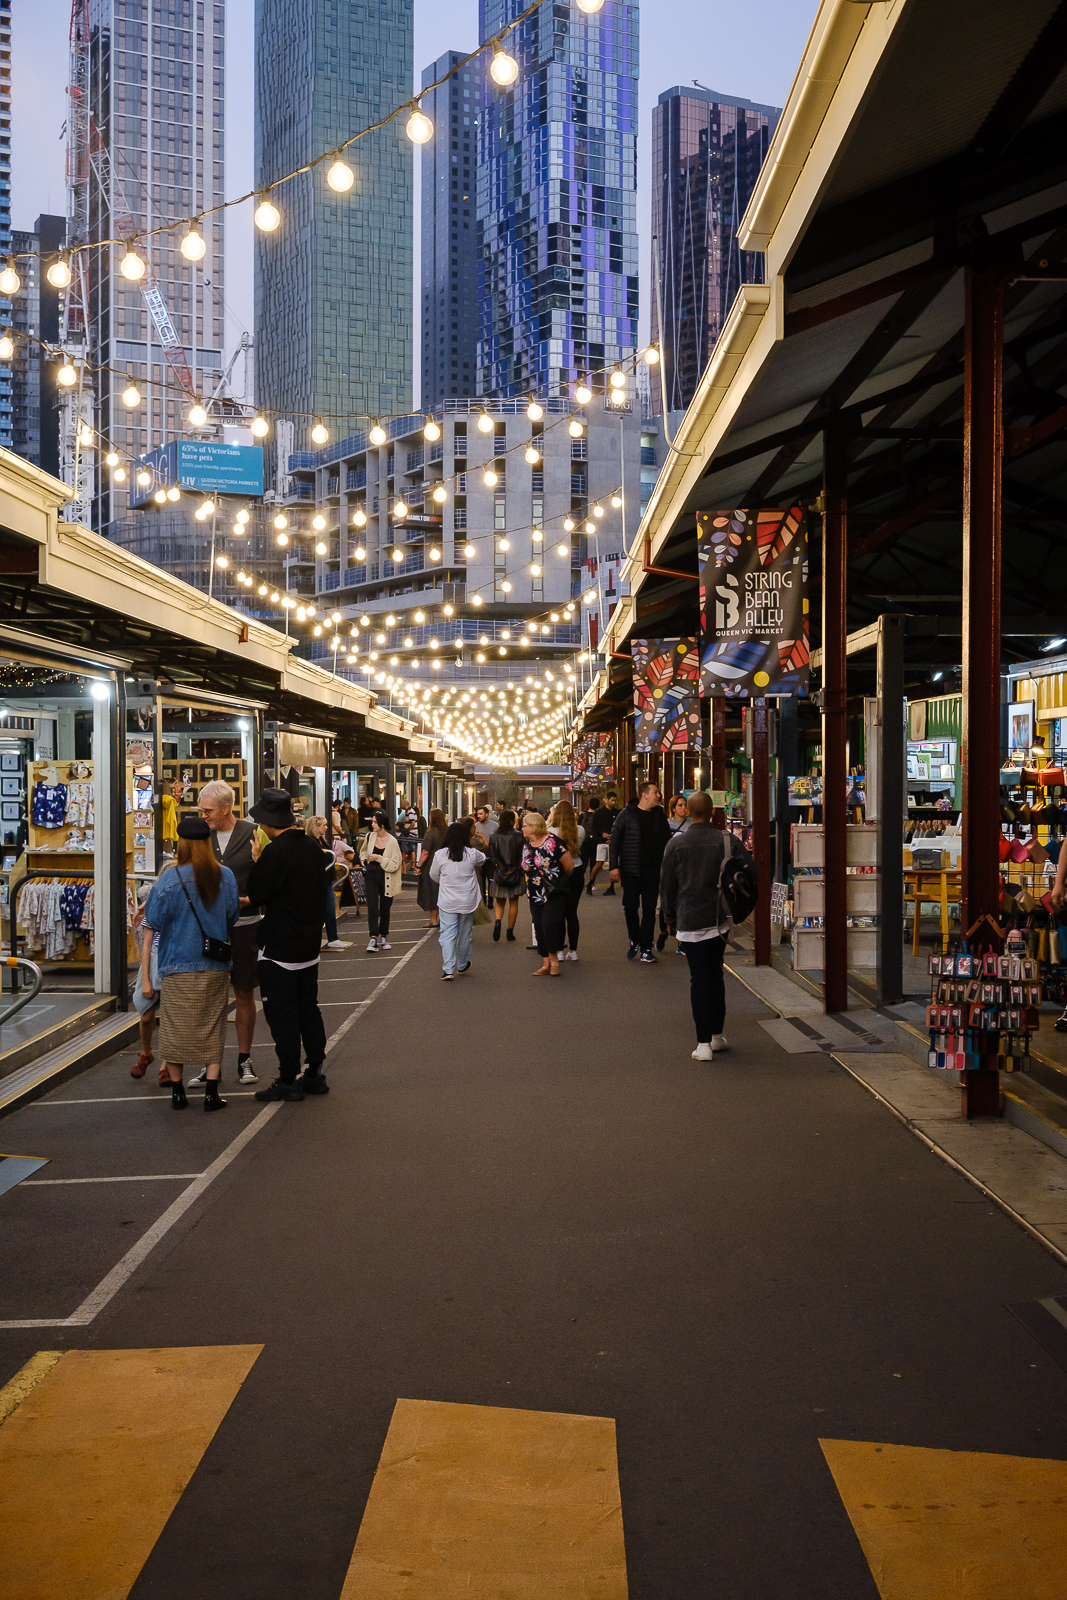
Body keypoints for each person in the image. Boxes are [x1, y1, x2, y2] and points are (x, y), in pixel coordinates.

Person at [141, 815, 239, 1110]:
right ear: (208, 842)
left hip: (176, 964)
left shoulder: (169, 879)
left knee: (174, 1028)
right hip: (215, 964)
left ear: (181, 844)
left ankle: (178, 1092)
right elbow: (231, 916)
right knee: (213, 1026)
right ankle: (211, 1093)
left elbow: (154, 920)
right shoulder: (225, 875)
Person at [246, 788, 331, 1102]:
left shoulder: (275, 852)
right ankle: (315, 1072)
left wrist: (258, 860)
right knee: (309, 1009)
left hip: (280, 947)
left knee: (282, 1015)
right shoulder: (312, 846)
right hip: (309, 944)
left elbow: (258, 893)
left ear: (269, 821)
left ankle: (288, 1078)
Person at [660, 789, 751, 1060]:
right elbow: (752, 871)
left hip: (689, 919)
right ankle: (717, 1035)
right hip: (720, 918)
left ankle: (703, 1045)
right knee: (715, 976)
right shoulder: (727, 840)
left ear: (688, 812)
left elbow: (667, 886)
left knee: (698, 979)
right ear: (713, 812)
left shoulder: (675, 845)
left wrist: (669, 919)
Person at [190, 780, 264, 1085]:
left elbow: (269, 875)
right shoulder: (199, 835)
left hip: (245, 926)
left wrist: (254, 897)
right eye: (201, 810)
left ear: (225, 808)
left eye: (208, 810)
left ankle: (245, 1059)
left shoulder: (253, 833)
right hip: (209, 928)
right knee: (210, 997)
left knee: (244, 992)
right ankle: (210, 1063)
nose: (204, 815)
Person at [608, 781, 672, 963]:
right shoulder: (626, 814)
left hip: (653, 870)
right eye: (655, 792)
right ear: (645, 795)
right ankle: (634, 938)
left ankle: (646, 947)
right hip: (631, 870)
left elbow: (667, 843)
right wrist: (613, 866)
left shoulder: (660, 816)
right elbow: (614, 842)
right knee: (630, 907)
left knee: (650, 909)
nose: (659, 795)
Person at [521, 811, 574, 976]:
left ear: (534, 826)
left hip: (553, 890)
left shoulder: (553, 842)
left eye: (525, 825)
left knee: (549, 923)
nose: (522, 828)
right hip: (534, 891)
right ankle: (545, 963)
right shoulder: (527, 844)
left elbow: (569, 865)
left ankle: (554, 960)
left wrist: (558, 879)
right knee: (538, 926)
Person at [430, 821, 485, 979]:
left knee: (447, 934)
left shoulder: (440, 854)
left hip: (447, 901)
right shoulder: (472, 853)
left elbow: (433, 874)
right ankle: (462, 964)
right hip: (468, 900)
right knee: (464, 934)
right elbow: (483, 859)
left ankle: (448, 969)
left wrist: (445, 882)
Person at [360, 811, 402, 951]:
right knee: (372, 907)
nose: (372, 824)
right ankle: (373, 937)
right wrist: (363, 859)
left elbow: (395, 863)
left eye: (375, 822)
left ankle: (384, 935)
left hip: (386, 875)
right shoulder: (369, 836)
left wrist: (379, 858)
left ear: (382, 824)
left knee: (385, 908)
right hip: (371, 874)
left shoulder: (392, 841)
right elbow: (363, 850)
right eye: (372, 821)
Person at [548, 799, 585, 961]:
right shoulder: (580, 830)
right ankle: (573, 950)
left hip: (559, 873)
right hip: (577, 870)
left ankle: (559, 950)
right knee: (572, 912)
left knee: (559, 913)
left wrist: (550, 817)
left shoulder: (551, 831)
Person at [306, 815, 348, 951]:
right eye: (323, 825)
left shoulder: (322, 841)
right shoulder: (310, 842)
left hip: (327, 879)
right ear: (316, 827)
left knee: (330, 909)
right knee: (317, 910)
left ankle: (333, 938)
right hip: (317, 881)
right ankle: (315, 938)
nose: (326, 827)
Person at [488, 808, 524, 942]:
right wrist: (518, 868)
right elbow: (523, 855)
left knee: (499, 901)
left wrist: (498, 866)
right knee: (513, 902)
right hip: (516, 872)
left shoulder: (494, 836)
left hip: (500, 872)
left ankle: (498, 922)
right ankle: (510, 932)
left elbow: (492, 856)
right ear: (512, 821)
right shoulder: (519, 836)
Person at [417, 807, 448, 928]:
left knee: (431, 891)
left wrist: (419, 865)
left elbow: (425, 851)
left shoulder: (431, 833)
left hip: (431, 864)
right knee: (443, 891)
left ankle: (433, 919)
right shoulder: (447, 832)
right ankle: (444, 918)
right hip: (446, 864)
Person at [585, 795, 613, 894]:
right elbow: (595, 827)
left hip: (605, 841)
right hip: (602, 841)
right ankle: (591, 883)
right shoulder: (600, 813)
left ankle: (610, 886)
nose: (614, 802)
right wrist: (603, 834)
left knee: (606, 864)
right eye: (612, 800)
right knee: (600, 863)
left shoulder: (615, 812)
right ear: (607, 800)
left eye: (615, 800)